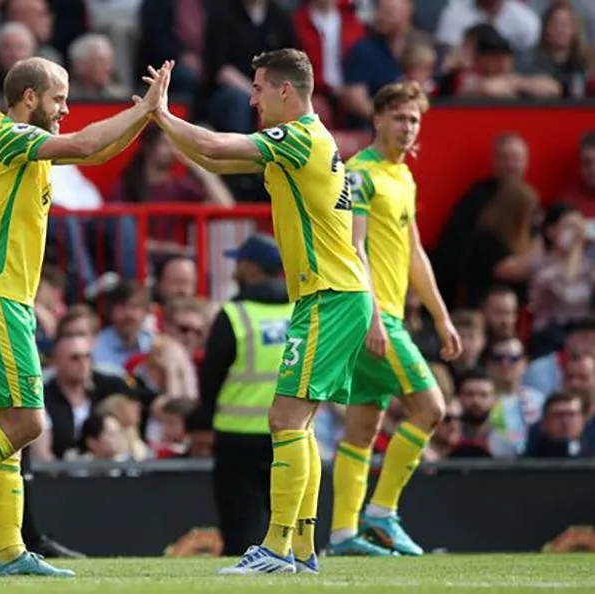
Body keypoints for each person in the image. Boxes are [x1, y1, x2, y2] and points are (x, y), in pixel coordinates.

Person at [0, 56, 173, 577]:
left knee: (4, 433)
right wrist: (144, 110)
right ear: (29, 98)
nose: (65, 109)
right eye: (59, 98)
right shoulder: (8, 138)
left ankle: (10, 552)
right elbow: (87, 145)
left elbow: (96, 149)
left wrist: (146, 115)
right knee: (26, 423)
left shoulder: (29, 147)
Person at [153, 49, 373, 575]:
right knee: (302, 424)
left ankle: (275, 548)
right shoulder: (310, 142)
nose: (251, 99)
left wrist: (160, 113)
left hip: (330, 296)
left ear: (285, 90)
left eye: (257, 88)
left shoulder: (298, 137)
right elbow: (213, 159)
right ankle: (302, 549)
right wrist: (163, 124)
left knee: (284, 420)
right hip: (334, 295)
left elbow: (213, 144)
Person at [328, 82, 462, 557]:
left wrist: (441, 317)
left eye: (415, 120)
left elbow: (414, 251)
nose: (408, 128)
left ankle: (343, 534)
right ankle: (382, 513)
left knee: (363, 426)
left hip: (384, 314)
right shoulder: (359, 175)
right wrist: (372, 318)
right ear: (378, 119)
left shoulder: (402, 176)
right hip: (373, 314)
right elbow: (354, 248)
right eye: (400, 118)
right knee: (431, 409)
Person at [191, 233, 292, 556]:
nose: (235, 269)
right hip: (291, 434)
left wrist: (205, 416)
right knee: (291, 526)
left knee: (240, 530)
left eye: (240, 262)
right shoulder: (299, 312)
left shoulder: (235, 315)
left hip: (238, 437)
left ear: (251, 268)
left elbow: (211, 377)